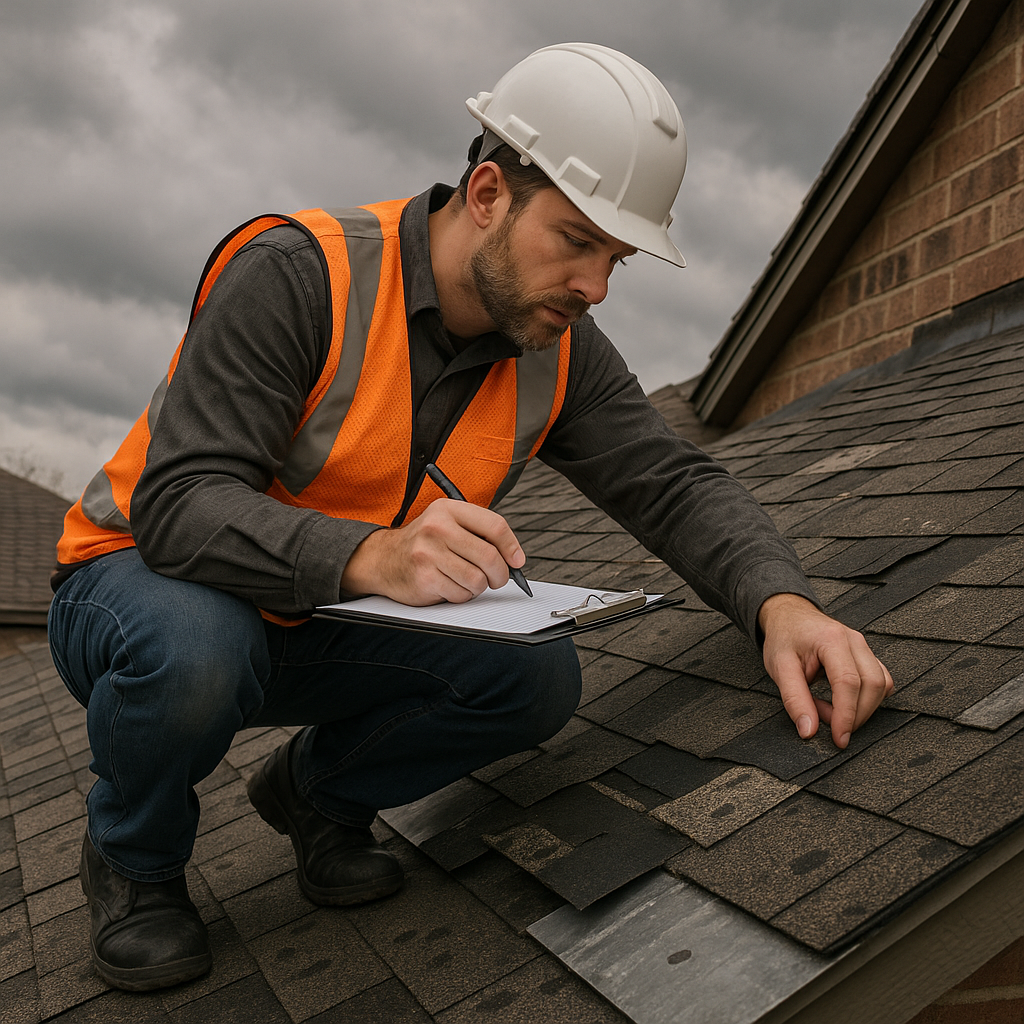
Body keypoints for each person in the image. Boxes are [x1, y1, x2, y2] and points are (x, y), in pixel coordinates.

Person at [47, 43, 893, 992]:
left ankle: (318, 795)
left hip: (319, 613)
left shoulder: (558, 345)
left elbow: (672, 484)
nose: (596, 286)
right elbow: (181, 506)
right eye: (576, 240)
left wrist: (785, 604)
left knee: (530, 675)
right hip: (141, 585)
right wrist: (374, 555)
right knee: (196, 646)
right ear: (488, 192)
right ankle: (136, 860)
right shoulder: (297, 273)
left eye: (616, 258)